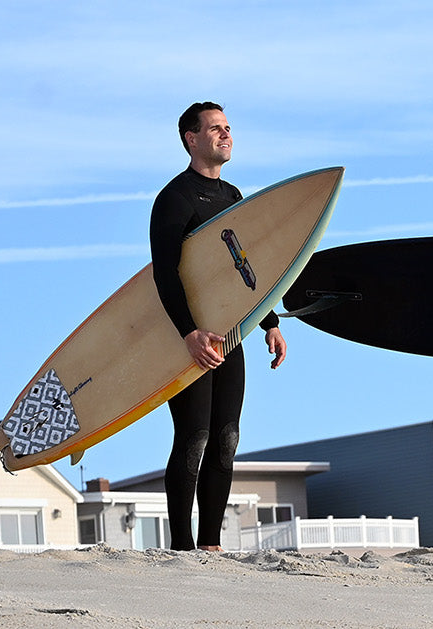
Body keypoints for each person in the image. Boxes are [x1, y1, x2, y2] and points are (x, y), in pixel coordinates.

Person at [149, 102, 288, 551]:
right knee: (195, 436)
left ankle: (210, 543)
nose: (225, 135)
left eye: (228, 128)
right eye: (215, 128)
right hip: (189, 338)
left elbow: (243, 269)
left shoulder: (232, 197)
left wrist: (269, 321)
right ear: (191, 138)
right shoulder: (174, 199)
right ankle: (181, 545)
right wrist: (188, 332)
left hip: (229, 336)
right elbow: (165, 274)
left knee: (227, 437)